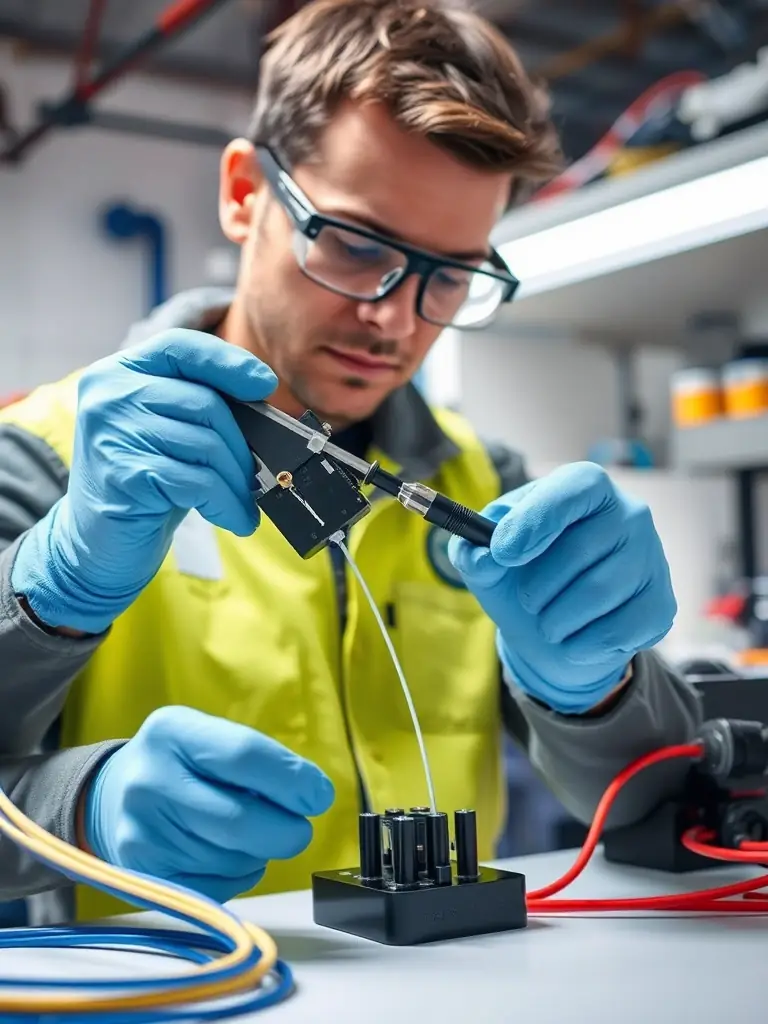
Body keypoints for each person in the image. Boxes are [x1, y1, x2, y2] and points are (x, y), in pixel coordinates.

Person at [0, 0, 700, 926]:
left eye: (449, 275)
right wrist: (79, 804)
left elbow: (665, 809)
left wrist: (601, 692)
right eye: (359, 246)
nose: (396, 320)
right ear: (247, 192)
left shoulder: (485, 482)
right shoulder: (44, 461)